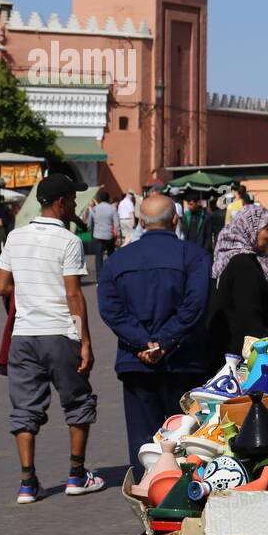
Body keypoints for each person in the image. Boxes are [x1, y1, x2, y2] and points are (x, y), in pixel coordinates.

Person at [0, 173, 104, 504]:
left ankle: (27, 483)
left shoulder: (15, 237)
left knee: (25, 408)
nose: (75, 205)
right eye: (72, 200)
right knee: (78, 402)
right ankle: (76, 475)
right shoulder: (69, 242)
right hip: (60, 333)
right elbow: (74, 295)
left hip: (24, 336)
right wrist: (85, 341)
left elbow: (2, 287)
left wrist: (29, 294)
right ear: (60, 202)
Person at [97, 193, 212, 480]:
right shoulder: (195, 256)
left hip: (137, 361)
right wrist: (164, 342)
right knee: (186, 434)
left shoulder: (118, 260)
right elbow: (194, 306)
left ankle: (148, 494)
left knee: (143, 438)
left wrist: (142, 342)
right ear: (175, 219)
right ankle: (184, 497)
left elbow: (111, 309)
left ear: (139, 221)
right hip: (183, 359)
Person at [207, 203, 268, 358]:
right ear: (250, 229)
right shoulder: (244, 265)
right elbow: (250, 315)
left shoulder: (237, 259)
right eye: (267, 229)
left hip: (235, 350)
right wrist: (263, 353)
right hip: (245, 354)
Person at [85, 190, 119, 280]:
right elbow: (117, 224)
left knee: (98, 257)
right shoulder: (113, 209)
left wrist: (91, 232)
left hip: (97, 235)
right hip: (109, 236)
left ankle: (99, 279)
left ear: (99, 199)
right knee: (111, 257)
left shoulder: (95, 209)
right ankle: (112, 276)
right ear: (108, 199)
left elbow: (89, 223)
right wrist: (119, 235)